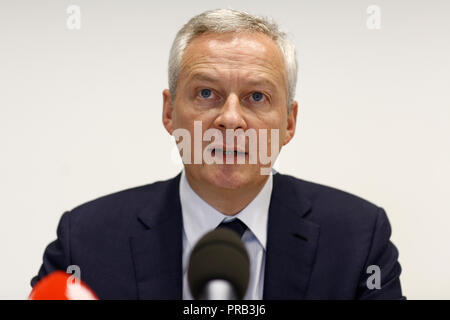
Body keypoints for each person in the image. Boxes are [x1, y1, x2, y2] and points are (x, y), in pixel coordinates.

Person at [31, 8, 405, 299]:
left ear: (289, 122)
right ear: (169, 112)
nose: (230, 119)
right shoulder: (85, 241)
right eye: (206, 93)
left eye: (256, 97)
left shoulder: (359, 240)